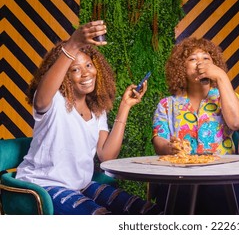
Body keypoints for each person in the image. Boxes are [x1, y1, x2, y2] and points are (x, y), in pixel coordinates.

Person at [16, 20, 161, 215]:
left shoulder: (96, 109)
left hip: (81, 185)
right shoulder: (54, 101)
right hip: (43, 185)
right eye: (75, 69)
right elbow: (41, 100)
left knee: (147, 211)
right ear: (64, 76)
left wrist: (125, 106)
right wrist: (73, 44)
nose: (85, 73)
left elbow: (106, 156)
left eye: (88, 65)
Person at [151, 37, 239, 214]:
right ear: (181, 67)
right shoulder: (167, 104)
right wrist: (169, 147)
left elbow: (236, 122)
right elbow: (159, 141)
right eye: (193, 59)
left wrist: (221, 76)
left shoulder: (228, 97)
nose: (200, 63)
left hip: (222, 178)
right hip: (180, 178)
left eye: (206, 59)